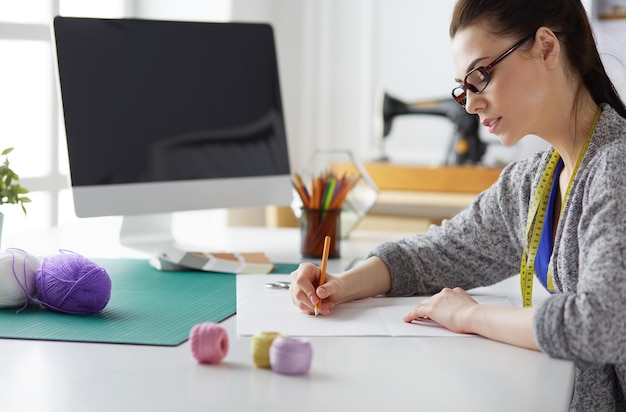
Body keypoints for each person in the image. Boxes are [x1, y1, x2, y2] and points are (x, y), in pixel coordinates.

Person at [289, 0, 626, 410]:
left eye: (480, 76)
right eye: (462, 87)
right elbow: (440, 253)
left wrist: (470, 316)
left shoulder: (616, 166)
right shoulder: (534, 183)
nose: (469, 104)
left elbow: (601, 325)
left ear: (546, 47)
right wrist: (343, 284)